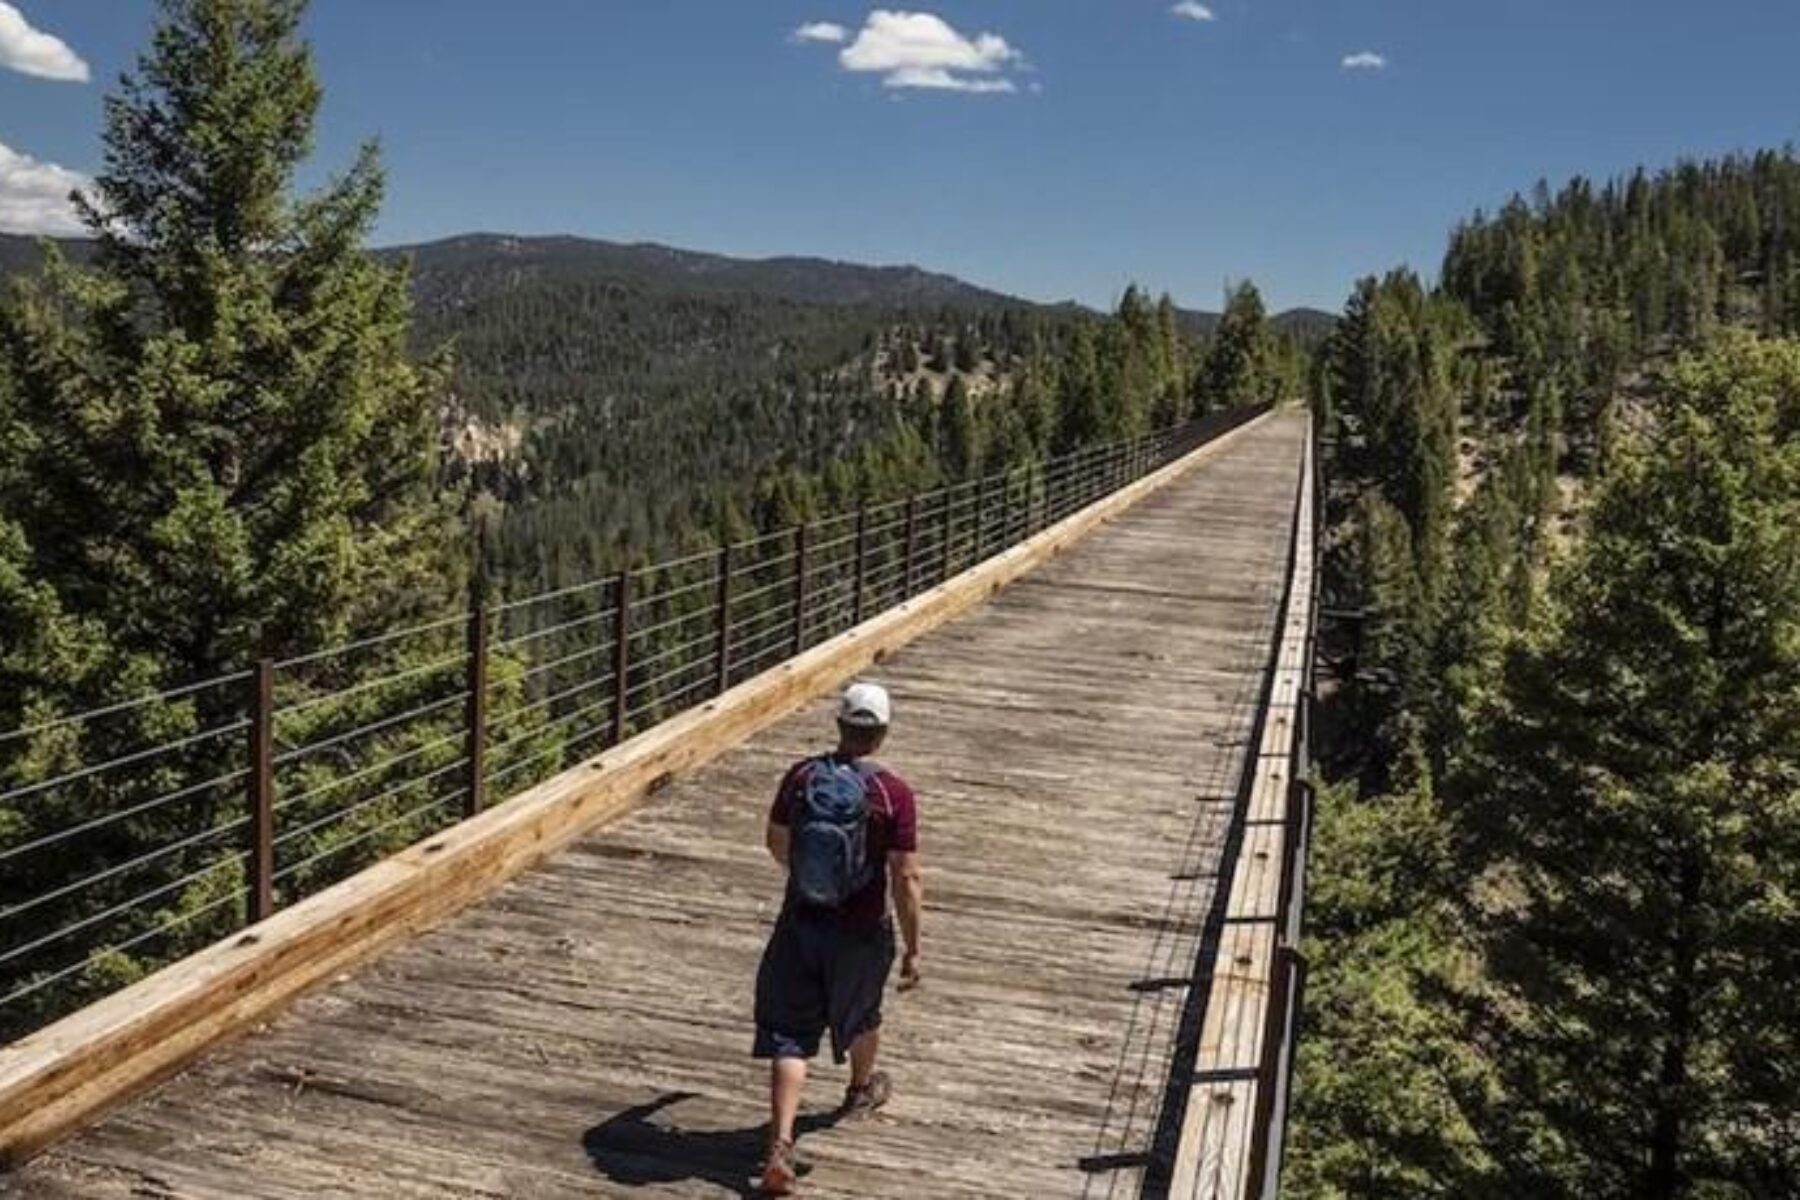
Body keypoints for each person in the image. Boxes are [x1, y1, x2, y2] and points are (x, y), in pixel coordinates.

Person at [753, 680, 923, 1196]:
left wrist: (811, 879)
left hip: (802, 920)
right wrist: (914, 948)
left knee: (789, 1033)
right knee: (862, 1011)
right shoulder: (893, 795)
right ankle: (859, 1087)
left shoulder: (802, 777)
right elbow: (906, 876)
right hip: (860, 928)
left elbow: (776, 842)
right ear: (884, 733)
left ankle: (780, 1144)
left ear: (840, 725)